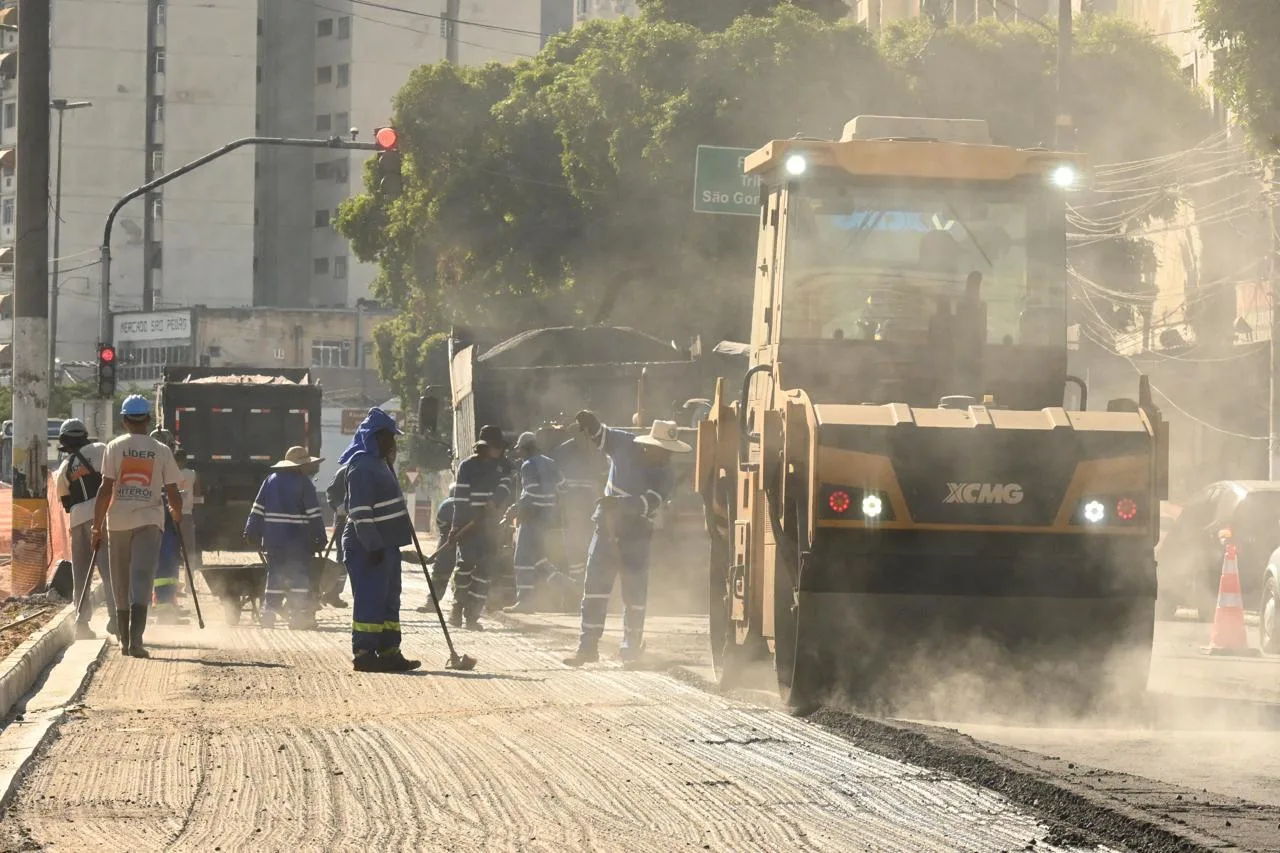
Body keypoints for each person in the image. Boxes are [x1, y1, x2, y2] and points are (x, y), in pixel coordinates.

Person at [564, 412, 691, 667]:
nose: (666, 456)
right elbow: (602, 436)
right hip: (606, 532)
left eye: (669, 452)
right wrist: (591, 423)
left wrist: (618, 504)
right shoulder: (623, 443)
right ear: (649, 445)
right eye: (663, 450)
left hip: (636, 537)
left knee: (634, 596)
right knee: (595, 592)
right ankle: (587, 647)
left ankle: (630, 648)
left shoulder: (665, 474)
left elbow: (648, 503)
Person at [91, 395, 183, 659]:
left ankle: (123, 640)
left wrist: (96, 527)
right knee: (142, 577)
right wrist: (176, 514)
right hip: (149, 521)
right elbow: (173, 491)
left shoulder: (114, 446)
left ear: (123, 420)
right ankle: (136, 641)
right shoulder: (162, 451)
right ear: (148, 420)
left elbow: (105, 489)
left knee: (120, 579)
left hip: (118, 520)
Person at [339, 407, 419, 673]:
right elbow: (360, 512)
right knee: (370, 598)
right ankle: (364, 654)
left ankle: (389, 652)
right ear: (374, 437)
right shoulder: (362, 467)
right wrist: (373, 546)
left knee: (389, 599)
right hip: (367, 546)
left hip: (386, 544)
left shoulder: (381, 465)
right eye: (388, 437)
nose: (393, 443)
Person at [244, 446, 328, 630]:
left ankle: (268, 615)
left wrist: (251, 530)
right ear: (298, 466)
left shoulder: (270, 480)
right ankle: (297, 617)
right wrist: (320, 536)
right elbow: (314, 514)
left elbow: (257, 509)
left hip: (273, 540)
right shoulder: (304, 484)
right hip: (297, 540)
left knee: (275, 575)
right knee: (299, 576)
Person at [53, 418, 113, 640]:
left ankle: (81, 624)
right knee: (109, 571)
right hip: (103, 516)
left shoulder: (65, 467)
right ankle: (116, 619)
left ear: (65, 442)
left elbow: (65, 501)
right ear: (85, 435)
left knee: (81, 574)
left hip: (78, 520)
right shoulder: (101, 449)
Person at [450, 426, 513, 631]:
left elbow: (506, 486)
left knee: (484, 571)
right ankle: (457, 609)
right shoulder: (467, 466)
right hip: (469, 526)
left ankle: (472, 616)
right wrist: (457, 526)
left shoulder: (503, 466)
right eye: (496, 447)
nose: (499, 451)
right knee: (465, 566)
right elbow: (460, 498)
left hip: (491, 527)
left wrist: (494, 502)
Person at [503, 432, 566, 614]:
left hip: (532, 518)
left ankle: (525, 601)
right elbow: (563, 486)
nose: (519, 453)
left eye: (520, 450)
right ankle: (564, 585)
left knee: (522, 558)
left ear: (525, 448)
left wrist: (513, 510)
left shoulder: (528, 466)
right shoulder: (550, 462)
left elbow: (529, 495)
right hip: (548, 518)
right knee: (539, 558)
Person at [150, 429, 187, 625]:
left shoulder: (141, 456)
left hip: (144, 512)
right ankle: (165, 606)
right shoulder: (167, 460)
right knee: (166, 558)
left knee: (142, 560)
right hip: (164, 511)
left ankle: (145, 607)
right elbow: (173, 491)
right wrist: (178, 515)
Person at [416, 482, 461, 614]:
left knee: (440, 574)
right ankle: (459, 608)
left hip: (446, 542)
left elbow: (440, 523)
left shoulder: (445, 504)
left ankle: (431, 603)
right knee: (462, 574)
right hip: (465, 542)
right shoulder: (466, 504)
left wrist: (447, 532)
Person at [321, 462, 352, 608]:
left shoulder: (375, 470)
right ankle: (333, 593)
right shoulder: (344, 472)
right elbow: (331, 493)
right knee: (343, 559)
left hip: (367, 521)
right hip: (344, 520)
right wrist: (338, 506)